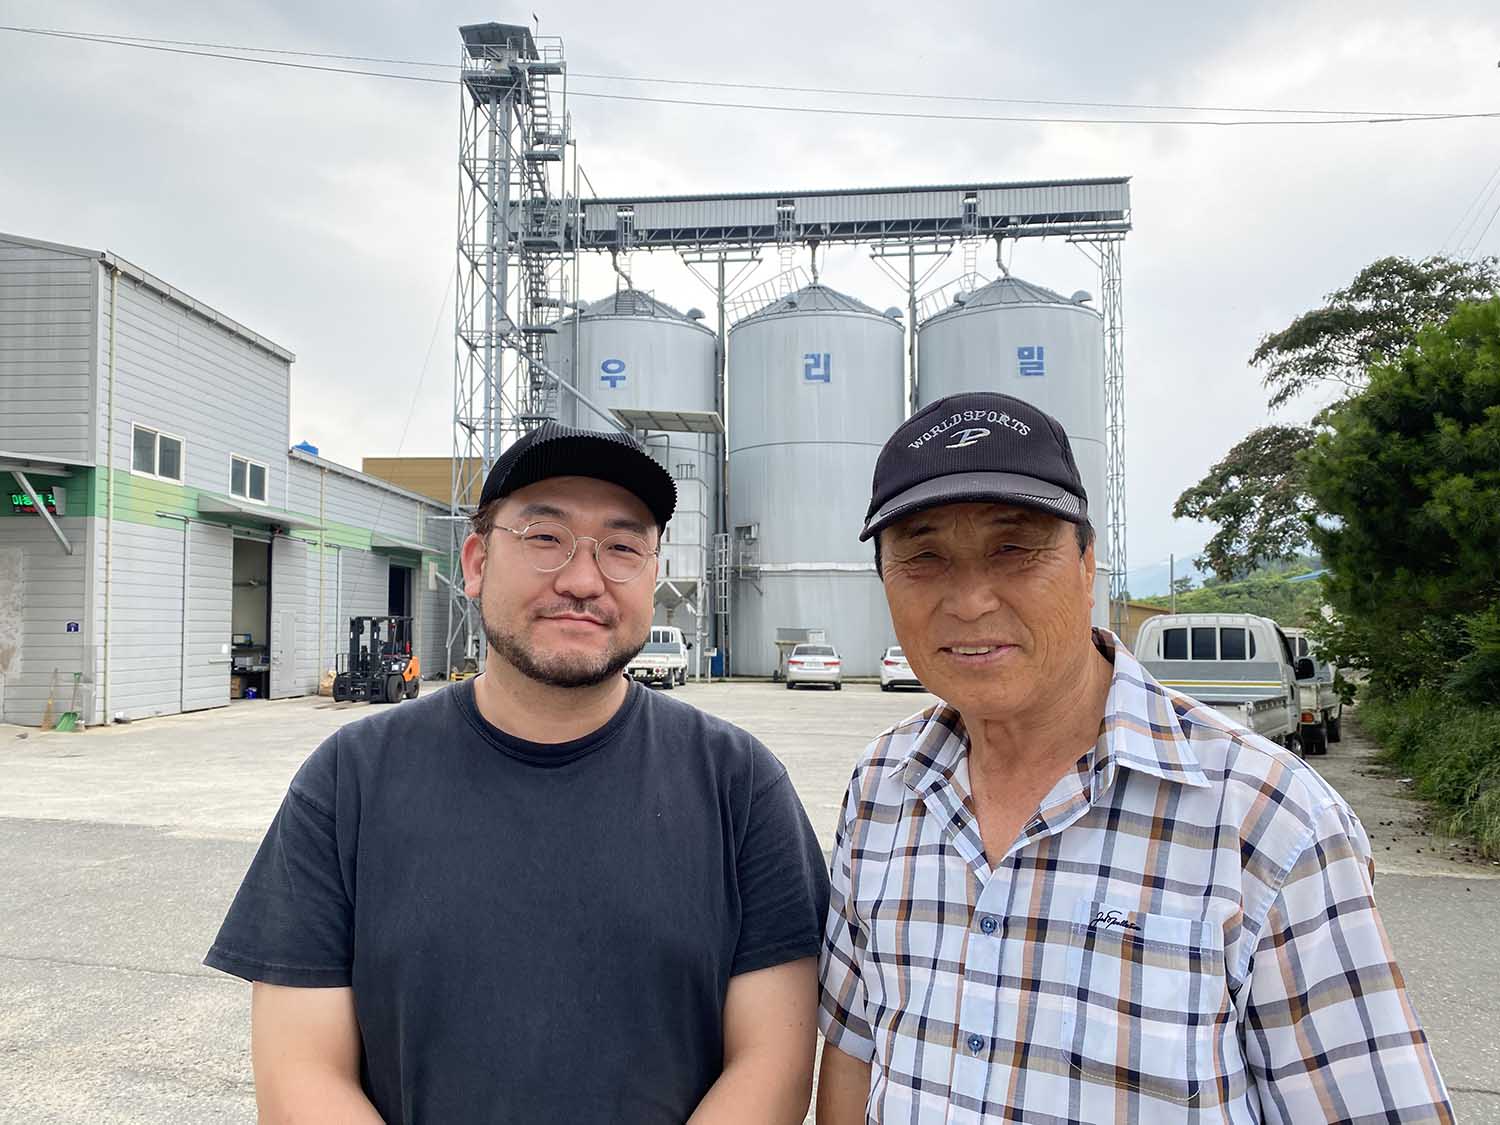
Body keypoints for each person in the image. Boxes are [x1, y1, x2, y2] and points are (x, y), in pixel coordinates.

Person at [816, 392, 1452, 1123]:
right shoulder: (882, 790)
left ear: (1088, 563)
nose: (970, 599)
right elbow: (852, 1053)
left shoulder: (1268, 816)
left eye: (1013, 547)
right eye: (924, 555)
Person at [207, 421, 829, 1124]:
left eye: (622, 546)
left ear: (652, 576)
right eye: (544, 537)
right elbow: (301, 1074)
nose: (584, 579)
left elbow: (773, 1067)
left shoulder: (740, 787)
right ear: (474, 561)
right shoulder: (347, 783)